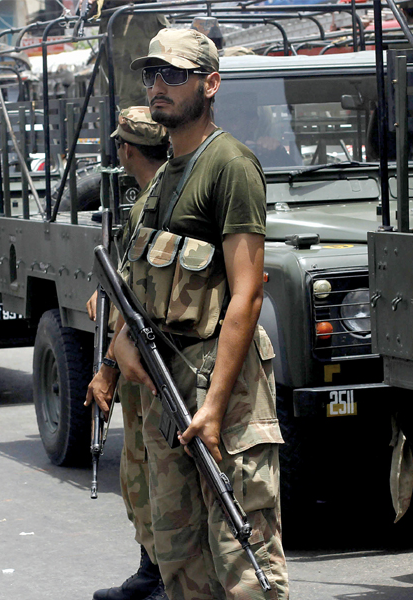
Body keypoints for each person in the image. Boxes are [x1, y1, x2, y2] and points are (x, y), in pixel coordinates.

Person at [93, 29, 288, 599]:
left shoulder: (230, 165)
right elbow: (135, 288)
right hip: (166, 394)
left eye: (174, 76)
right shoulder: (162, 181)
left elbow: (247, 295)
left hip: (221, 395)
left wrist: (214, 407)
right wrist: (117, 350)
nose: (159, 87)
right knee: (180, 561)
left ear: (210, 83)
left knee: (242, 559)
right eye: (153, 75)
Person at [85, 107, 170, 600]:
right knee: (138, 466)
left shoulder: (156, 201)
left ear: (127, 150)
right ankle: (151, 567)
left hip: (143, 356)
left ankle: (164, 574)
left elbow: (141, 299)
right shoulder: (145, 201)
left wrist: (108, 369)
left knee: (152, 469)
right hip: (137, 352)